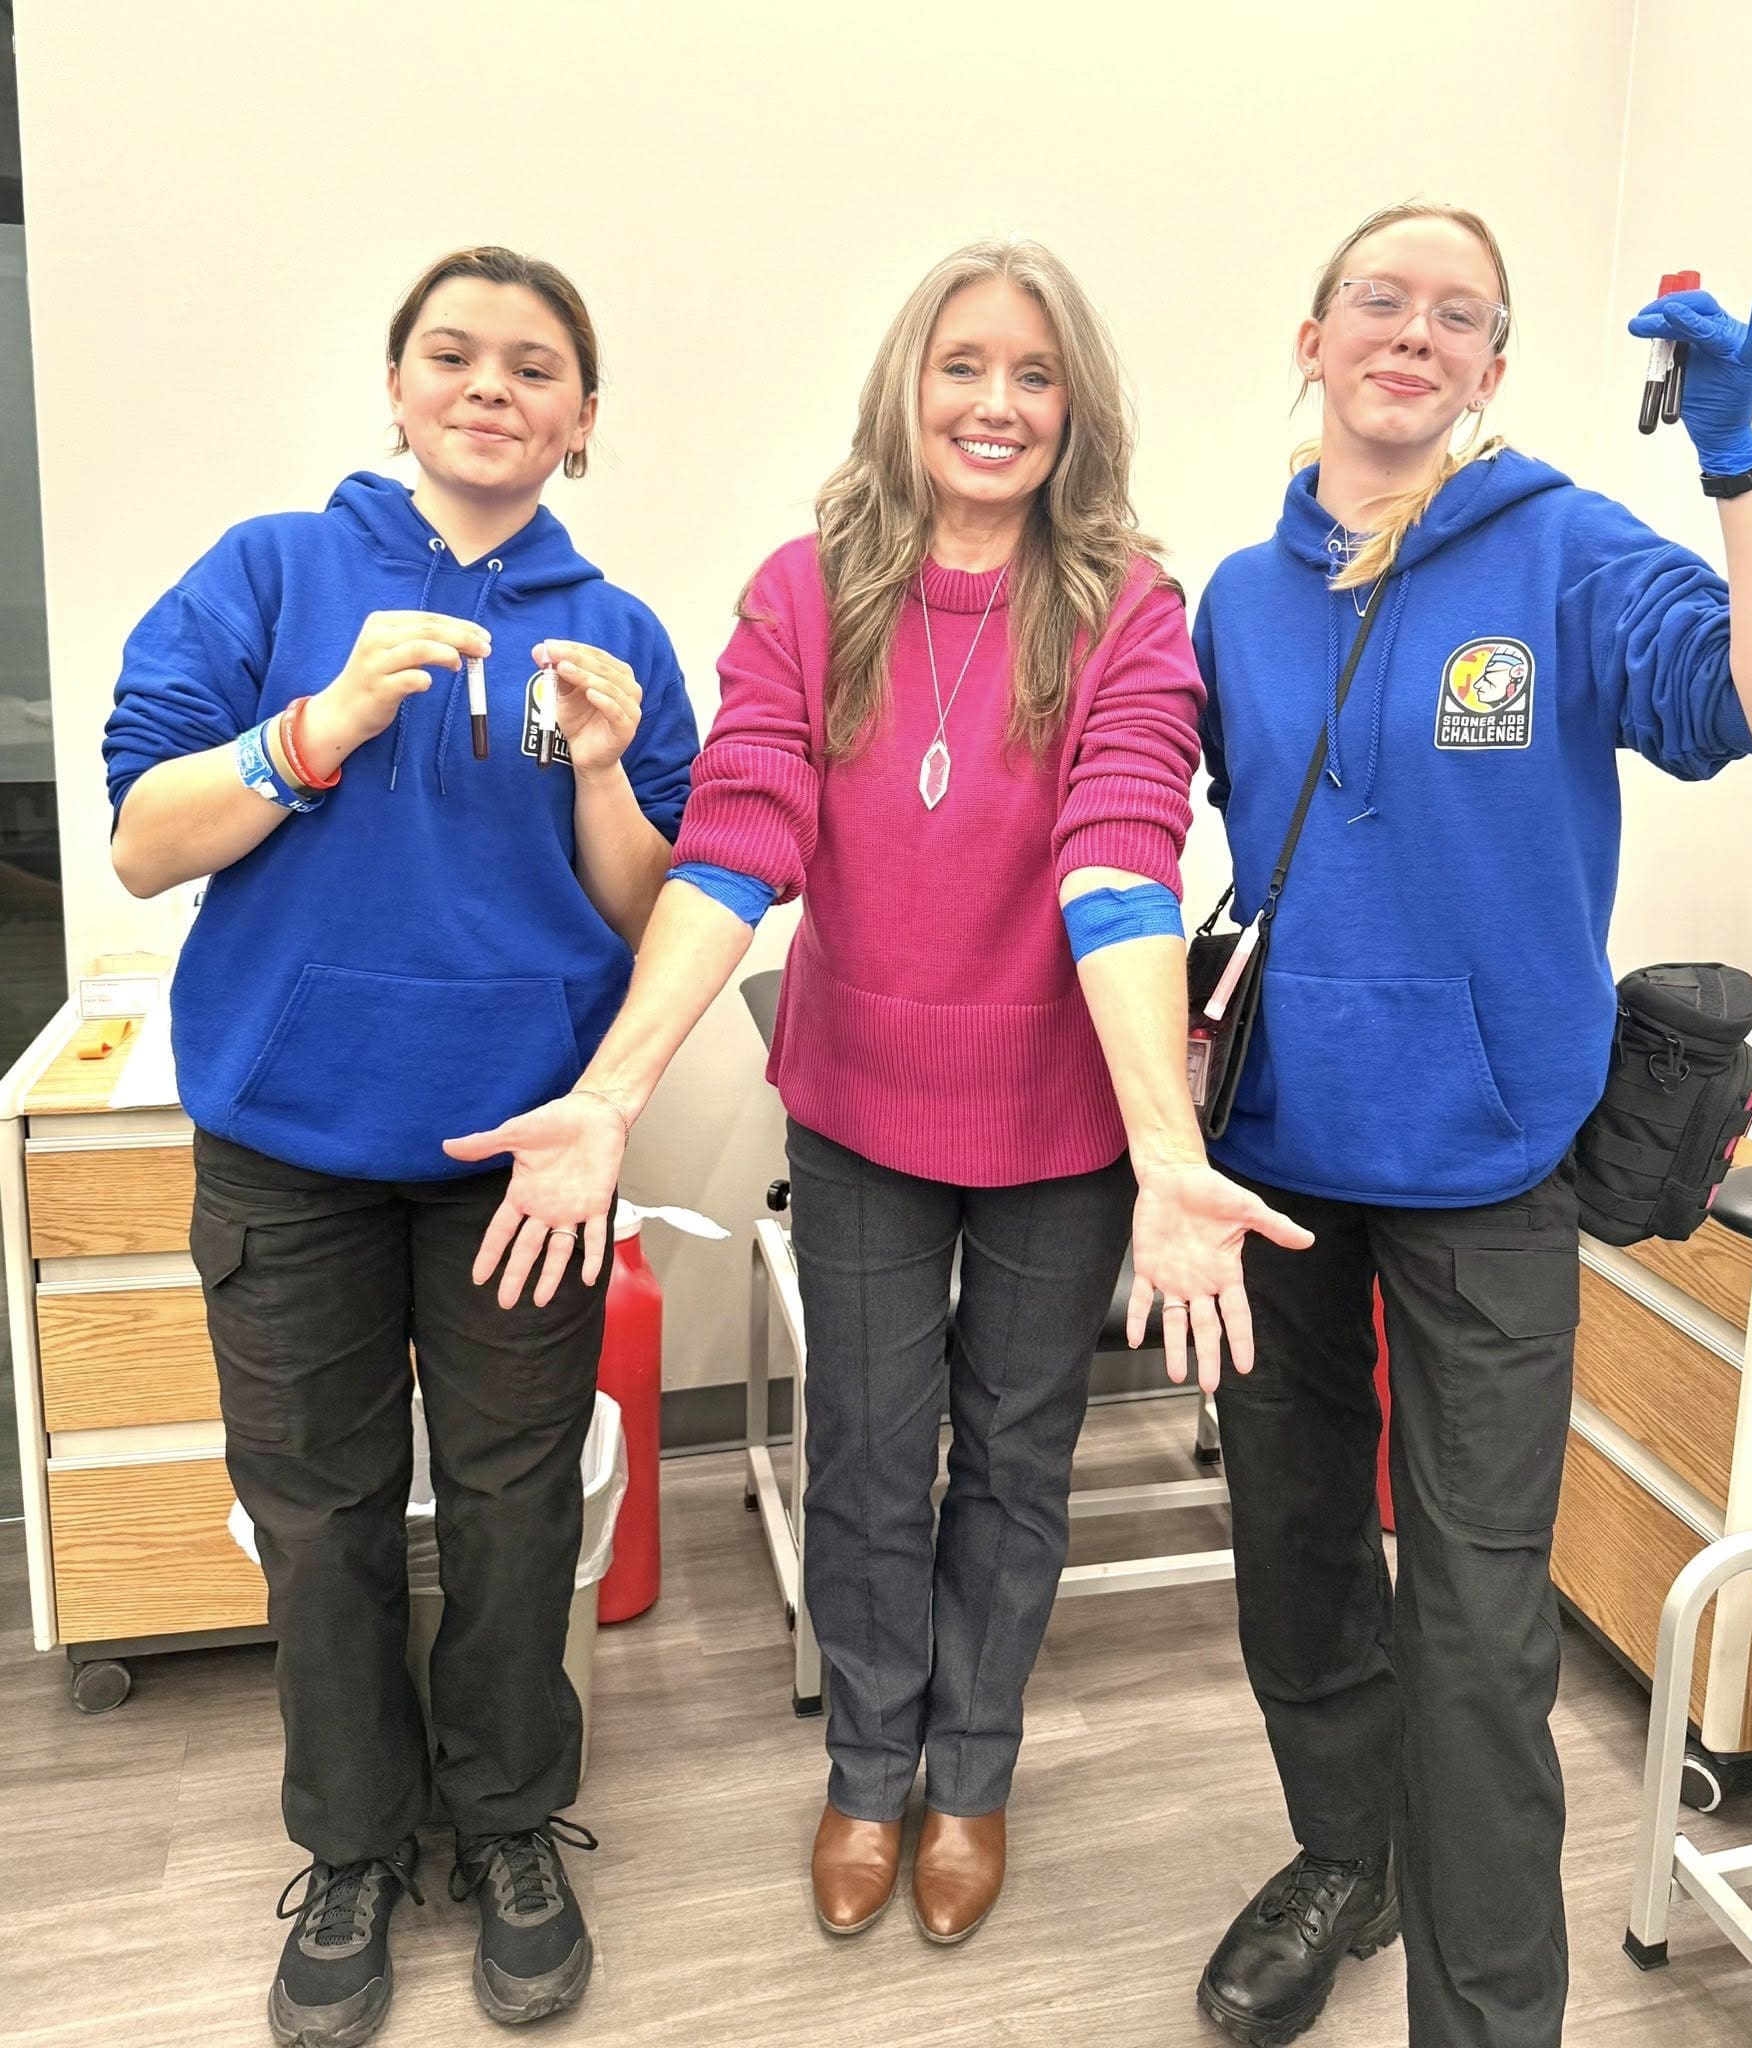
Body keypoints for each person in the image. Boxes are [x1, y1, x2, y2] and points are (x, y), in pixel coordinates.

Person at [443, 237, 1309, 1949]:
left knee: (1018, 1460)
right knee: (862, 1455)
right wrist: (614, 1088)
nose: (996, 402)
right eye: (962, 365)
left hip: (1060, 1127)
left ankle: (970, 1770)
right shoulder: (806, 591)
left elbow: (1122, 854)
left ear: (1077, 410)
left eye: (1035, 375)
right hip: (857, 1113)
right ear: (906, 387)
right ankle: (866, 1764)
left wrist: (1164, 1145)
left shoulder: (1128, 606)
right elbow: (739, 838)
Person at [1189, 201, 1752, 2048]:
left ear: (1493, 366)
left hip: (1489, 1169)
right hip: (1278, 1161)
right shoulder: (1236, 597)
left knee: (1478, 1632)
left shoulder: (1563, 552)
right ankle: (1346, 1855)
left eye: (1458, 315)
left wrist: (1738, 465)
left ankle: (1487, 2021)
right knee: (1297, 1561)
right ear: (1312, 339)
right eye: (1379, 300)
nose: (1415, 332)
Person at [102, 245, 700, 2047]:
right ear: (396, 387)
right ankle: (355, 1847)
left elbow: (655, 913)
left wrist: (601, 771)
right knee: (320, 1516)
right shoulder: (271, 573)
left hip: (521, 1161)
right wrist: (318, 728)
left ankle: (510, 1824)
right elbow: (141, 840)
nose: (491, 385)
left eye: (535, 365)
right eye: (453, 354)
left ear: (582, 420)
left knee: (519, 1510)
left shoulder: (618, 631)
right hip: (288, 1150)